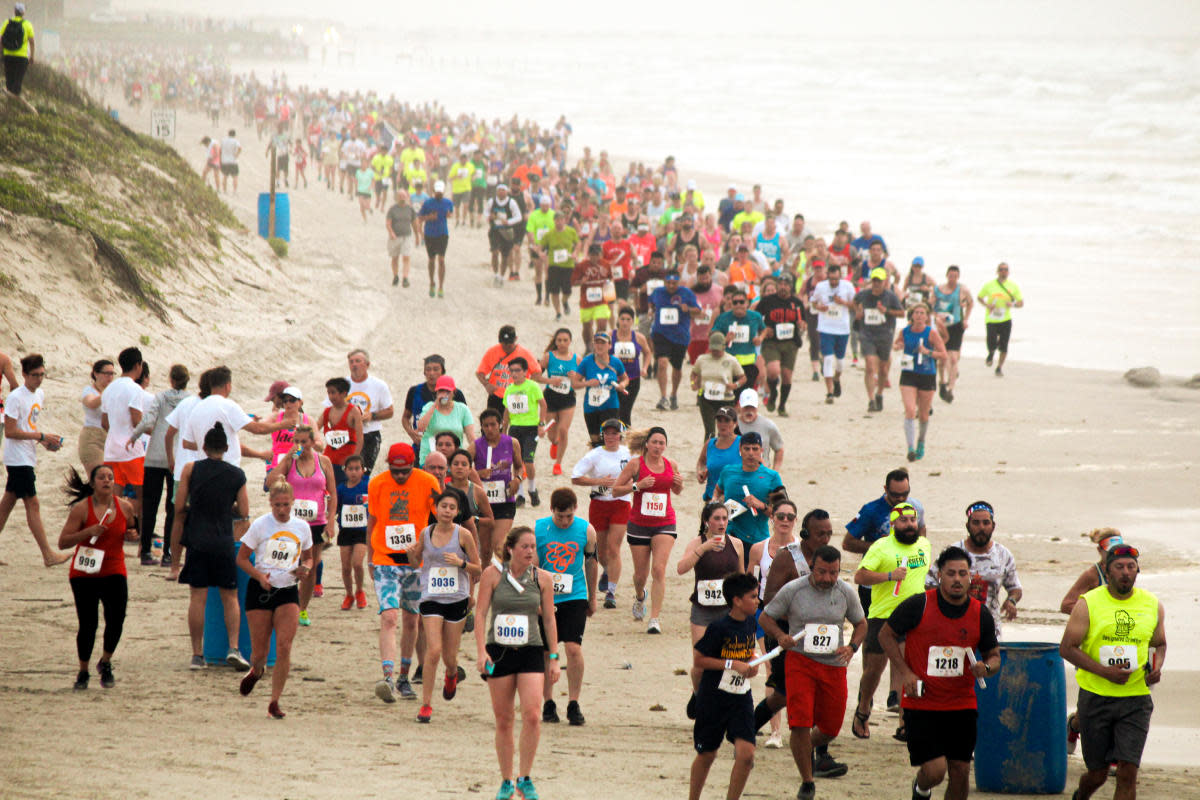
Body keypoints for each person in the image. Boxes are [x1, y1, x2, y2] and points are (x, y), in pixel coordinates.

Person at [880, 545, 1001, 800]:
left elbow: (994, 656)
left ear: (971, 577)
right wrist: (905, 673)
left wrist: (986, 667)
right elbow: (885, 635)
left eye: (962, 574)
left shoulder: (981, 614)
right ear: (939, 576)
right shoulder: (918, 605)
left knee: (961, 770)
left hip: (961, 704)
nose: (957, 579)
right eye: (951, 574)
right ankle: (921, 789)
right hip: (921, 703)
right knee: (935, 771)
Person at [1060, 543, 1165, 800]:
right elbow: (1067, 648)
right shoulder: (1088, 603)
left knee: (1128, 773)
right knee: (1097, 774)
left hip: (1136, 698)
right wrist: (1104, 672)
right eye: (1119, 567)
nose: (1126, 572)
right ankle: (1081, 795)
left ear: (1138, 571)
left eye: (1131, 567)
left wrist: (1156, 666)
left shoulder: (1152, 604)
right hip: (1096, 697)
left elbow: (1159, 644)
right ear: (1107, 573)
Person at [760, 545, 866, 800]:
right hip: (801, 663)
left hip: (834, 667)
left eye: (834, 573)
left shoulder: (845, 592)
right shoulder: (794, 590)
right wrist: (780, 635)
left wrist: (852, 646)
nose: (828, 578)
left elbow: (861, 623)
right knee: (800, 723)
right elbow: (765, 617)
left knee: (830, 729)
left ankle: (802, 747)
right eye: (822, 572)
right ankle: (807, 781)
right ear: (812, 568)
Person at [475, 526, 560, 800]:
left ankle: (525, 778)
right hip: (498, 651)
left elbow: (549, 619)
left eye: (533, 547)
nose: (530, 552)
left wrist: (555, 657)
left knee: (533, 715)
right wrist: (480, 652)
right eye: (525, 546)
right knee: (504, 719)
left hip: (531, 650)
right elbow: (480, 614)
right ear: (510, 549)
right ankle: (506, 781)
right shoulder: (492, 575)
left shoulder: (543, 579)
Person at [169, 422, 252, 671]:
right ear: (226, 448)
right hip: (223, 540)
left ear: (204, 447)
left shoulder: (190, 469)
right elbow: (244, 511)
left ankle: (197, 654)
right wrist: (227, 508)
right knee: (230, 596)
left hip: (198, 539)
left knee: (198, 598)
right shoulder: (236, 474)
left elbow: (179, 506)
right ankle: (234, 648)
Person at [852, 502, 931, 741]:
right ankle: (863, 708)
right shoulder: (881, 546)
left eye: (912, 520)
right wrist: (889, 576)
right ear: (894, 523)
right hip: (883, 616)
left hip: (914, 617)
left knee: (910, 669)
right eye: (904, 520)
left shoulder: (924, 546)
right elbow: (860, 576)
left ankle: (906, 723)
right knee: (874, 670)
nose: (909, 525)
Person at [367, 442, 439, 702]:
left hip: (416, 563)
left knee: (412, 620)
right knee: (389, 617)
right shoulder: (376, 484)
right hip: (385, 559)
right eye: (395, 471)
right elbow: (372, 521)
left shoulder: (428, 482)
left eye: (405, 471)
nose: (400, 476)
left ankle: (404, 677)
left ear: (413, 466)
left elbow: (438, 521)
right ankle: (387, 676)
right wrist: (369, 558)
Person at [235, 480, 313, 719]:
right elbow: (241, 558)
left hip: (288, 589)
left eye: (286, 505)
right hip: (260, 591)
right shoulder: (259, 525)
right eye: (278, 505)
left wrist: (305, 569)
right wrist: (259, 576)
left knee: (284, 647)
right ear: (270, 503)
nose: (282, 510)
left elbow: (309, 558)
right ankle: (257, 671)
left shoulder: (302, 527)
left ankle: (274, 701)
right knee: (260, 652)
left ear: (293, 503)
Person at [406, 489, 482, 723]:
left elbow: (478, 569)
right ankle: (426, 704)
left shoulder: (464, 535)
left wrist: (461, 563)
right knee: (434, 650)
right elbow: (415, 562)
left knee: (449, 657)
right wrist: (411, 554)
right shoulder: (426, 533)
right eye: (443, 506)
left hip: (456, 598)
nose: (447, 511)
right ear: (435, 509)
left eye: (452, 507)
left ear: (458, 511)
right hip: (430, 596)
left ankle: (451, 674)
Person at [58, 464, 135, 690]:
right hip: (85, 572)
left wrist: (132, 534)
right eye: (101, 477)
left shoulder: (125, 507)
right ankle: (83, 671)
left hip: (114, 570)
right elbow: (63, 542)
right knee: (88, 624)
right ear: (93, 484)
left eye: (110, 477)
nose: (107, 481)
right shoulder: (82, 509)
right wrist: (87, 532)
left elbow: (132, 529)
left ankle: (106, 661)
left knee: (116, 619)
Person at [687, 572, 761, 800]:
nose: (757, 601)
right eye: (753, 596)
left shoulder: (751, 621)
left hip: (741, 696)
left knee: (747, 755)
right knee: (707, 754)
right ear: (737, 600)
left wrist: (752, 663)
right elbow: (699, 660)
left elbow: (747, 652)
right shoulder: (719, 627)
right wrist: (731, 664)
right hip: (714, 698)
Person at [0, 353, 71, 566]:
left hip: (27, 455)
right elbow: (10, 432)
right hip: (17, 458)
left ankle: (48, 554)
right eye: (34, 375)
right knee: (33, 503)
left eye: (42, 374)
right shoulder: (15, 398)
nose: (39, 379)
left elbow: (28, 426)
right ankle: (48, 554)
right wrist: (40, 436)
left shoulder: (39, 394)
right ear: (24, 374)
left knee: (7, 504)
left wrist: (45, 442)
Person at [535, 488, 599, 726]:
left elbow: (592, 564)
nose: (564, 521)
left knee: (573, 649)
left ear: (575, 511)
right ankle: (548, 702)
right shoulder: (539, 529)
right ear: (552, 510)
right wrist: (536, 602)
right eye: (560, 516)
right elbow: (532, 568)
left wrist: (592, 598)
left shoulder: (586, 530)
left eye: (569, 517)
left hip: (575, 595)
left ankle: (573, 702)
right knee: (545, 652)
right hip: (545, 597)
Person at [612, 426, 683, 634]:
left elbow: (677, 491)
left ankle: (654, 619)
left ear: (665, 446)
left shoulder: (672, 464)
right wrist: (637, 486)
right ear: (647, 444)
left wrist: (679, 484)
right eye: (655, 442)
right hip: (639, 525)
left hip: (665, 523)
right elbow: (616, 490)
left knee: (659, 569)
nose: (658, 446)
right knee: (640, 575)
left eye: (662, 443)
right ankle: (640, 596)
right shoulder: (636, 464)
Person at [266, 425, 336, 627]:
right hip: (291, 522)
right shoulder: (290, 461)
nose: (299, 445)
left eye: (304, 441)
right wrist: (288, 458)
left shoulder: (323, 461)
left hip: (317, 522)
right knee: (286, 561)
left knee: (310, 566)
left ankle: (301, 608)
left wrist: (331, 521)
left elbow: (332, 492)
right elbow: (270, 482)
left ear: (313, 442)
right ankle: (283, 602)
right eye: (296, 441)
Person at [678, 503, 744, 697]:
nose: (722, 523)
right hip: (703, 611)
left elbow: (741, 577)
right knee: (700, 663)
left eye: (725, 518)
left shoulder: (736, 543)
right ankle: (699, 699)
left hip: (728, 610)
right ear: (707, 521)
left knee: (729, 661)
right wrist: (704, 548)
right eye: (717, 518)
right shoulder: (697, 542)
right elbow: (681, 569)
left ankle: (721, 705)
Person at [925, 501, 1021, 635]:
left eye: (986, 523)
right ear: (967, 526)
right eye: (976, 523)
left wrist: (1011, 601)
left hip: (990, 629)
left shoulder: (1003, 555)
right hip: (953, 628)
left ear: (993, 526)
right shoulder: (953, 552)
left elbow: (1015, 588)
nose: (981, 527)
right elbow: (929, 583)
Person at [129, 364, 190, 565]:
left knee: (150, 505)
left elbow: (148, 421)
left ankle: (145, 551)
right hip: (177, 459)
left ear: (171, 379)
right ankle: (168, 554)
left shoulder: (161, 397)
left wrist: (134, 436)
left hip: (155, 456)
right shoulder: (190, 400)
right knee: (173, 507)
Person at [571, 417, 631, 609]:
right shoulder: (594, 455)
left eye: (614, 433)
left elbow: (639, 473)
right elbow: (575, 478)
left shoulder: (628, 453)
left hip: (621, 504)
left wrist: (630, 486)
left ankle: (611, 592)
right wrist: (597, 482)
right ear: (602, 434)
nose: (611, 437)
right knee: (602, 551)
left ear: (620, 435)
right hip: (598, 504)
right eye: (607, 433)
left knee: (614, 548)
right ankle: (606, 570)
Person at [181, 365, 283, 467]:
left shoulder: (197, 409)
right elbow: (258, 429)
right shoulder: (228, 406)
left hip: (204, 469)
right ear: (228, 385)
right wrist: (284, 424)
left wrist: (206, 445)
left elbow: (186, 443)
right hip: (228, 469)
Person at [712, 433, 783, 564]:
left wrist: (761, 505)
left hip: (756, 542)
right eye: (747, 448)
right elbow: (717, 490)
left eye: (755, 449)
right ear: (740, 450)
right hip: (728, 538)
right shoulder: (727, 471)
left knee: (752, 583)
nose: (751, 453)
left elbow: (782, 514)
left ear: (762, 451)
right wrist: (715, 502)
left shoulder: (772, 477)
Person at [895, 304, 947, 461]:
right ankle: (910, 447)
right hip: (908, 373)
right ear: (911, 316)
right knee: (910, 410)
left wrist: (928, 352)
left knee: (923, 414)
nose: (918, 316)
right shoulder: (904, 331)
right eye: (916, 313)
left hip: (927, 374)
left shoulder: (931, 333)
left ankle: (921, 443)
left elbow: (943, 354)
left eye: (922, 313)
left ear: (926, 317)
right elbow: (897, 343)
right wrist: (897, 346)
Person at [100, 347, 146, 523]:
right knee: (142, 496)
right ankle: (143, 541)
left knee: (112, 498)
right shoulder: (135, 389)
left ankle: (109, 536)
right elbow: (136, 421)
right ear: (138, 365)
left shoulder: (109, 389)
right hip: (131, 450)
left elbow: (104, 422)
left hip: (112, 449)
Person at [649, 269, 702, 409]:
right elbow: (650, 302)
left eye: (674, 283)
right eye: (668, 282)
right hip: (661, 333)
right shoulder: (658, 292)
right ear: (664, 281)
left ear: (679, 282)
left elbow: (698, 311)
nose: (671, 285)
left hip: (680, 335)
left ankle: (673, 394)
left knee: (677, 367)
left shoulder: (687, 293)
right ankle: (663, 397)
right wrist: (650, 310)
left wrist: (688, 309)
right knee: (662, 363)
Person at [853, 267, 904, 413]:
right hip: (867, 334)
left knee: (883, 368)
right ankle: (871, 400)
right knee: (869, 366)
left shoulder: (890, 296)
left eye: (879, 281)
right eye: (874, 280)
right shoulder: (864, 295)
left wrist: (886, 311)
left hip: (885, 335)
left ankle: (879, 393)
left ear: (884, 282)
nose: (876, 283)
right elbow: (854, 301)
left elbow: (902, 313)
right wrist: (858, 312)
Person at [475, 409, 522, 561]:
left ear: (500, 424)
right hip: (483, 503)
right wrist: (478, 473)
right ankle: (487, 583)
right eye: (485, 425)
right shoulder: (476, 445)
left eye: (493, 425)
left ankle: (511, 576)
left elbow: (520, 466)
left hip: (505, 501)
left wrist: (517, 479)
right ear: (481, 427)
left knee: (498, 546)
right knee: (486, 551)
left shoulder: (512, 442)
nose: (489, 429)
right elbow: (461, 465)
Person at [755, 275, 804, 415]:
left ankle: (782, 405)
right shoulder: (767, 301)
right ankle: (773, 393)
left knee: (787, 376)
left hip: (790, 343)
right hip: (772, 342)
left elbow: (802, 322)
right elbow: (756, 319)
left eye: (786, 284)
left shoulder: (796, 303)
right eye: (781, 284)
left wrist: (802, 325)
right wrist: (763, 329)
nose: (783, 287)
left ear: (791, 287)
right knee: (773, 371)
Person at [501, 358, 547, 507]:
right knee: (517, 461)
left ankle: (532, 489)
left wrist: (541, 424)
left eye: (517, 370)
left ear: (525, 372)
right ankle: (520, 494)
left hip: (531, 429)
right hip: (515, 428)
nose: (514, 374)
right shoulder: (509, 389)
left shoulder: (532, 386)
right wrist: (503, 431)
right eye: (512, 371)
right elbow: (506, 412)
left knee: (528, 460)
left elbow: (543, 405)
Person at [571, 332, 628, 447]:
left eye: (603, 343)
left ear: (610, 346)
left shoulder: (616, 362)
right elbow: (575, 384)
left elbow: (625, 378)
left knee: (610, 439)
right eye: (597, 342)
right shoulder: (587, 361)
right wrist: (588, 383)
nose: (600, 346)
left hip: (610, 405)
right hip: (591, 407)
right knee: (595, 441)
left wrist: (622, 385)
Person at [810, 264, 857, 404]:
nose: (834, 282)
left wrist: (843, 302)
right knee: (828, 359)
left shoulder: (847, 286)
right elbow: (813, 302)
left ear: (840, 276)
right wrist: (819, 307)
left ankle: (836, 378)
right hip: (826, 328)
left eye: (836, 279)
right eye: (831, 279)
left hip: (842, 329)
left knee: (841, 363)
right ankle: (829, 393)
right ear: (827, 276)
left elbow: (856, 305)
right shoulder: (821, 287)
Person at [690, 332, 746, 443]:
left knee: (725, 431)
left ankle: (725, 453)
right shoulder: (702, 359)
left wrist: (735, 385)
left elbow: (743, 378)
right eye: (713, 349)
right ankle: (708, 456)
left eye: (718, 349)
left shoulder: (731, 360)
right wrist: (693, 383)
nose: (715, 352)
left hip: (725, 399)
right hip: (706, 399)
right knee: (710, 431)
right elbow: (694, 373)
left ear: (724, 347)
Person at [401, 355, 466, 446]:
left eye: (436, 369)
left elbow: (465, 421)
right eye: (428, 369)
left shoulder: (455, 394)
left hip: (448, 447)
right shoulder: (414, 391)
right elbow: (405, 417)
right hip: (421, 445)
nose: (431, 373)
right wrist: (411, 432)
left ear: (443, 372)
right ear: (424, 372)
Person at [538, 329, 579, 477]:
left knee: (563, 430)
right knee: (552, 435)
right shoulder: (548, 357)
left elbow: (580, 383)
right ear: (555, 342)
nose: (562, 343)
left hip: (568, 399)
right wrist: (550, 381)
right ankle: (555, 443)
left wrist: (575, 378)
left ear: (570, 341)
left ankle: (558, 464)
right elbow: (535, 376)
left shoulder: (577, 359)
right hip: (550, 398)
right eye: (559, 340)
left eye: (565, 340)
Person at [477, 325, 543, 415]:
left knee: (516, 426)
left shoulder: (524, 353)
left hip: (517, 397)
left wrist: (526, 387)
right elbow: (480, 372)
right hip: (497, 397)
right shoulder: (492, 352)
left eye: (509, 343)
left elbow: (536, 371)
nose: (507, 346)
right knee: (494, 426)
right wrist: (486, 384)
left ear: (516, 339)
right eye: (504, 343)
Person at [1060, 527, 1127, 615]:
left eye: (1118, 550)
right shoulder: (1092, 575)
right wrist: (1096, 614)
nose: (1114, 554)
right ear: (1099, 550)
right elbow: (1066, 605)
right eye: (1110, 551)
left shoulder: (1127, 571)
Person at [711, 288, 765, 395]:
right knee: (732, 393)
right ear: (731, 304)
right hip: (729, 362)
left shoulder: (755, 316)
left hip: (749, 361)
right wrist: (725, 340)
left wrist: (760, 338)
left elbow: (764, 329)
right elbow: (713, 335)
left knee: (745, 392)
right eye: (735, 302)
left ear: (747, 303)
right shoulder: (723, 318)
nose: (738, 305)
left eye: (741, 302)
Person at [932, 265, 973, 402]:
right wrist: (936, 317)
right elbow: (930, 306)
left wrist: (966, 319)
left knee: (954, 358)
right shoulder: (938, 290)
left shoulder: (963, 290)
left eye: (955, 276)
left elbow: (971, 303)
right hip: (941, 327)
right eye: (950, 276)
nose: (952, 279)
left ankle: (950, 389)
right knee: (942, 359)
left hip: (956, 326)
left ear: (958, 277)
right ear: (946, 276)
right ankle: (942, 382)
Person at [415, 376, 474, 466]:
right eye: (441, 391)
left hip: (454, 459)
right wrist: (435, 405)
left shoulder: (462, 409)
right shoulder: (429, 407)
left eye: (447, 392)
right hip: (430, 457)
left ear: (453, 393)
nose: (444, 394)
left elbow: (471, 437)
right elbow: (420, 428)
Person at [336, 454, 370, 610]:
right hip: (346, 532)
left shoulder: (367, 485)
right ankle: (349, 594)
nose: (354, 472)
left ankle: (360, 591)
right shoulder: (341, 489)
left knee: (357, 563)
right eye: (350, 469)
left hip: (362, 531)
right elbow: (336, 509)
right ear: (345, 470)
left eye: (357, 469)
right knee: (345, 567)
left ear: (363, 470)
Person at [978, 262, 1024, 377]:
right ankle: (991, 353)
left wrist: (1012, 304)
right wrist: (986, 305)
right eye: (1001, 269)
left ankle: (999, 367)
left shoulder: (1013, 286)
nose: (1003, 271)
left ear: (1008, 272)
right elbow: (979, 297)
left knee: (1004, 345)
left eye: (1006, 269)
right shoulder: (989, 285)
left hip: (1005, 319)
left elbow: (1021, 303)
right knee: (991, 341)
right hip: (991, 318)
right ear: (997, 271)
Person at [610, 306, 652, 427]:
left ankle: (626, 439)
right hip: (613, 380)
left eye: (628, 319)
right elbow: (600, 352)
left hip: (633, 379)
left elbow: (648, 353)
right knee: (614, 411)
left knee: (625, 411)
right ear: (618, 320)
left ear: (633, 321)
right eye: (622, 319)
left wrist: (644, 368)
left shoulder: (639, 338)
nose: (625, 322)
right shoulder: (610, 336)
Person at [320, 379, 363, 484]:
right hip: (329, 460)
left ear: (344, 393)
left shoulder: (354, 411)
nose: (330, 396)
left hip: (346, 461)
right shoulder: (327, 411)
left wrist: (354, 461)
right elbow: (313, 430)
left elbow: (360, 439)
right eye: (328, 393)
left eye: (333, 392)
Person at [571, 243, 615, 344]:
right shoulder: (581, 266)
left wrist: (611, 298)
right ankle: (588, 346)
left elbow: (610, 279)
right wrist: (581, 281)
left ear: (601, 254)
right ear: (589, 254)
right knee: (587, 327)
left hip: (602, 301)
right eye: (593, 255)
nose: (595, 257)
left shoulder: (606, 264)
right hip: (586, 301)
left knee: (602, 324)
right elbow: (573, 282)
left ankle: (597, 345)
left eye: (597, 254)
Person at [78, 359, 115, 475]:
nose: (110, 377)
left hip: (109, 438)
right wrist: (108, 392)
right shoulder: (89, 390)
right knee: (98, 477)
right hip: (92, 437)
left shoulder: (111, 393)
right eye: (106, 373)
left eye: (112, 373)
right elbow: (91, 403)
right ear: (96, 374)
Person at [696, 406, 740, 503]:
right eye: (719, 421)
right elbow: (701, 461)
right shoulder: (710, 444)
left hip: (735, 501)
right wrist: (700, 471)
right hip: (711, 499)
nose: (722, 424)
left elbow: (757, 467)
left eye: (727, 421)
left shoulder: (742, 443)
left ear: (735, 423)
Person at [419, 180, 454, 298]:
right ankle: (431, 282)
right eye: (437, 192)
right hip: (430, 234)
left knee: (442, 260)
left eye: (441, 192)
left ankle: (441, 286)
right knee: (431, 260)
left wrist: (449, 215)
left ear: (443, 191)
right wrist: (429, 217)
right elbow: (420, 218)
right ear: (433, 191)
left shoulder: (448, 203)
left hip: (443, 233)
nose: (439, 194)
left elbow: (450, 213)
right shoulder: (427, 203)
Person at [734, 390, 784, 470]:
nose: (749, 411)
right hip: (738, 473)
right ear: (739, 406)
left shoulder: (768, 425)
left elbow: (779, 449)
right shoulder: (732, 425)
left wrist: (775, 472)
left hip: (761, 473)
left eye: (752, 407)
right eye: (746, 407)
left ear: (757, 407)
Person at [488, 184, 523, 286]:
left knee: (505, 255)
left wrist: (508, 221)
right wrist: (490, 217)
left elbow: (518, 217)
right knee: (494, 252)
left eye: (503, 190)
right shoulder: (492, 201)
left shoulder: (511, 203)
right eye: (499, 190)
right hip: (494, 230)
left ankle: (501, 276)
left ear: (507, 191)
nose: (501, 192)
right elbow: (486, 213)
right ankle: (495, 274)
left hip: (507, 232)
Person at [385, 188, 418, 287]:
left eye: (404, 196)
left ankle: (405, 278)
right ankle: (395, 276)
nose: (403, 198)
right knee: (395, 258)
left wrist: (417, 236)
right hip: (395, 238)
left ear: (407, 197)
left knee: (406, 257)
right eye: (400, 196)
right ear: (397, 198)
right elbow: (388, 223)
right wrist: (391, 232)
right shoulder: (392, 210)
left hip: (406, 236)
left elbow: (414, 223)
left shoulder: (410, 209)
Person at [219, 129, 241, 193]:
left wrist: (220, 159)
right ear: (234, 135)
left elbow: (220, 150)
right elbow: (240, 148)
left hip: (224, 161)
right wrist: (237, 154)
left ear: (228, 134)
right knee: (235, 176)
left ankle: (224, 190)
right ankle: (234, 191)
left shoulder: (223, 140)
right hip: (233, 161)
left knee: (225, 176)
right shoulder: (235, 141)